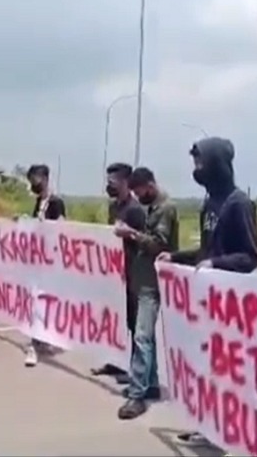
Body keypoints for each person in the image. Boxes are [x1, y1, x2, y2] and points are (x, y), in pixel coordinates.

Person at [157, 137, 257, 447]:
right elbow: (206, 251)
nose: (196, 169)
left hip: (231, 305)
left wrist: (217, 264)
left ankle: (228, 435)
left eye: (201, 163)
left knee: (228, 374)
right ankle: (209, 427)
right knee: (208, 369)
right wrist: (176, 257)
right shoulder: (209, 204)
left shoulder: (239, 204)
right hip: (208, 302)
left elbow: (251, 257)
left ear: (217, 163)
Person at [116, 166, 179, 419]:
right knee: (146, 336)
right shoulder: (150, 207)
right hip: (141, 279)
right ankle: (150, 383)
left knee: (141, 336)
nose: (138, 196)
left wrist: (131, 234)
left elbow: (159, 244)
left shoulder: (165, 208)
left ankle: (137, 394)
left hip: (152, 283)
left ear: (150, 186)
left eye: (139, 191)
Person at [91, 162, 146, 383]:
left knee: (132, 322)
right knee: (114, 317)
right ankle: (114, 362)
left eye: (113, 181)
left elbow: (141, 240)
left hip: (131, 272)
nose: (109, 185)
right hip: (113, 273)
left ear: (125, 182)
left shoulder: (135, 209)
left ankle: (133, 368)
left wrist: (128, 234)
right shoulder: (114, 207)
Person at [24, 164, 66, 367]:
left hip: (50, 260)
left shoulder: (56, 202)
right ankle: (38, 339)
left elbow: (61, 226)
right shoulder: (39, 201)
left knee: (44, 301)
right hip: (37, 258)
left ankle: (38, 341)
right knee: (36, 300)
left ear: (45, 179)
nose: (33, 183)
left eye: (35, 179)